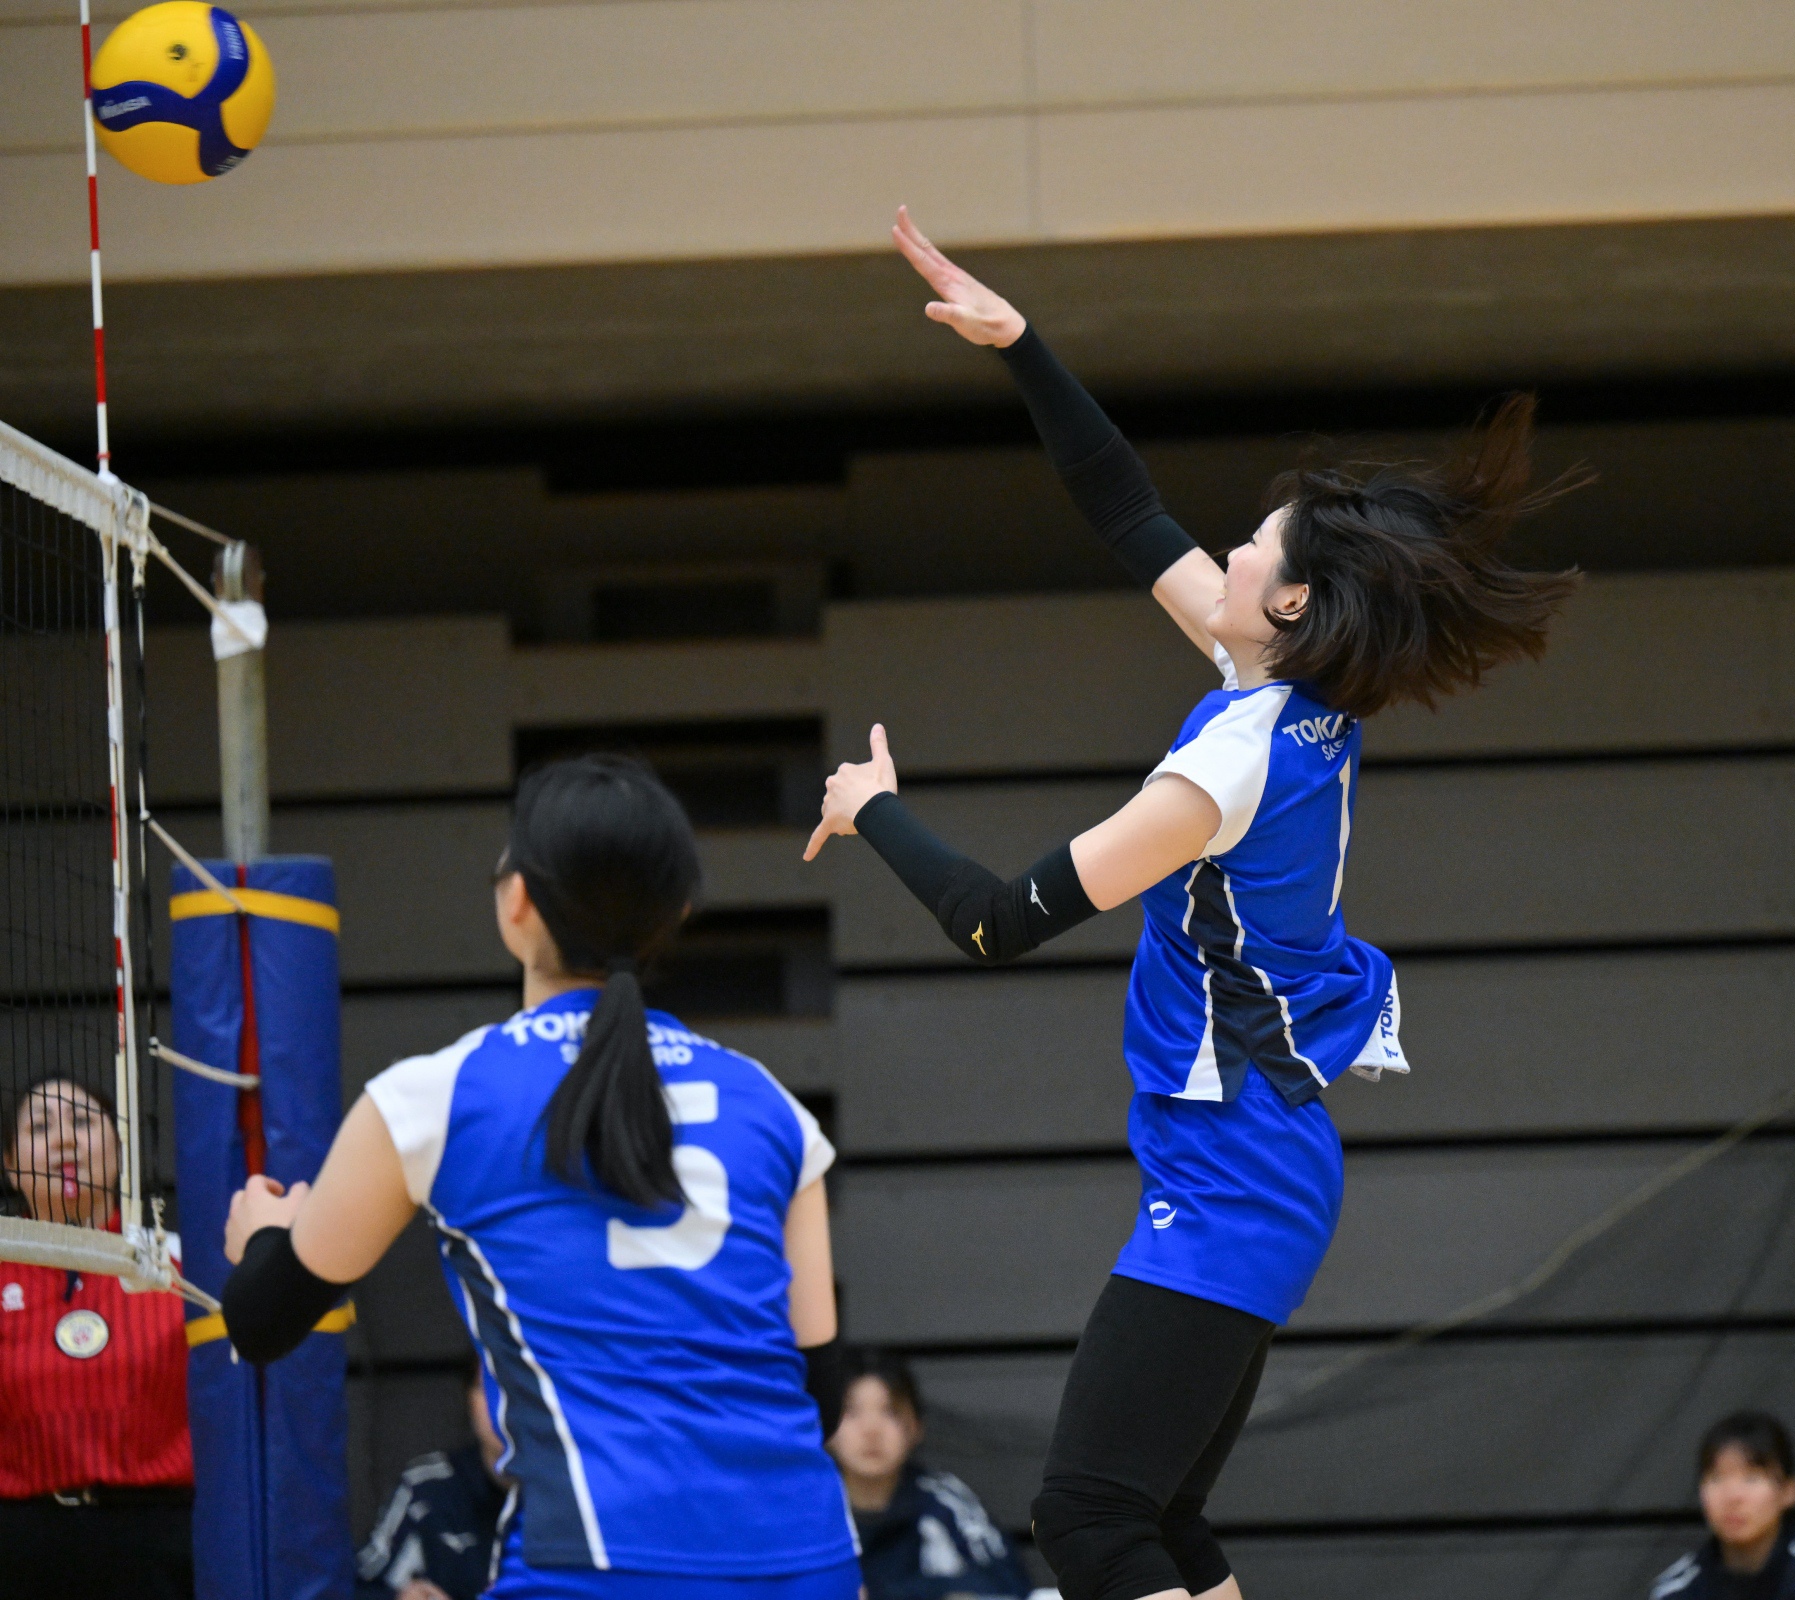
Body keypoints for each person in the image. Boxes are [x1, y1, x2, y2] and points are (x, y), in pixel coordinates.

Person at [802, 208, 1582, 1600]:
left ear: (1287, 606)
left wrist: (875, 811)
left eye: (1249, 547)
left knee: (1091, 1522)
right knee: (1157, 1522)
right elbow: (1125, 505)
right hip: (1254, 1161)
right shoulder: (1288, 696)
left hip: (1235, 1173)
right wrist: (1021, 345)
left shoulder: (1226, 765)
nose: (1223, 553)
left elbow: (996, 920)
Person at [215, 754, 862, 1600]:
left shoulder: (434, 1097)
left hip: (598, 1566)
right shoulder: (772, 1104)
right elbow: (820, 1392)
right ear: (678, 912)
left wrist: (264, 1237)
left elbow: (261, 1321)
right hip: (808, 1560)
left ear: (515, 901)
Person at [0, 1076, 194, 1600]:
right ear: (11, 1164)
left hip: (160, 1542)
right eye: (41, 1127)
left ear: (119, 1147)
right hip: (19, 1546)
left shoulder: (181, 1266)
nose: (65, 1139)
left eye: (82, 1121)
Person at [827, 1349, 1046, 1600]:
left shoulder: (943, 1498)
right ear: (826, 1426)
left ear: (916, 1426)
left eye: (890, 1412)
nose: (871, 1430)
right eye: (852, 1411)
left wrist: (883, 1593)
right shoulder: (809, 1506)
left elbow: (1009, 1584)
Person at [1647, 1412, 1795, 1600]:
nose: (1733, 1496)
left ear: (1789, 1491)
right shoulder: (1675, 1590)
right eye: (1716, 1478)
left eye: (1751, 1478)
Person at [356, 1369, 513, 1600]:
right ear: (469, 1399)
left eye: (514, 1389)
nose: (500, 1406)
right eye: (488, 1388)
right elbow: (357, 1585)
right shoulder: (429, 1487)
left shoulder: (567, 1493)